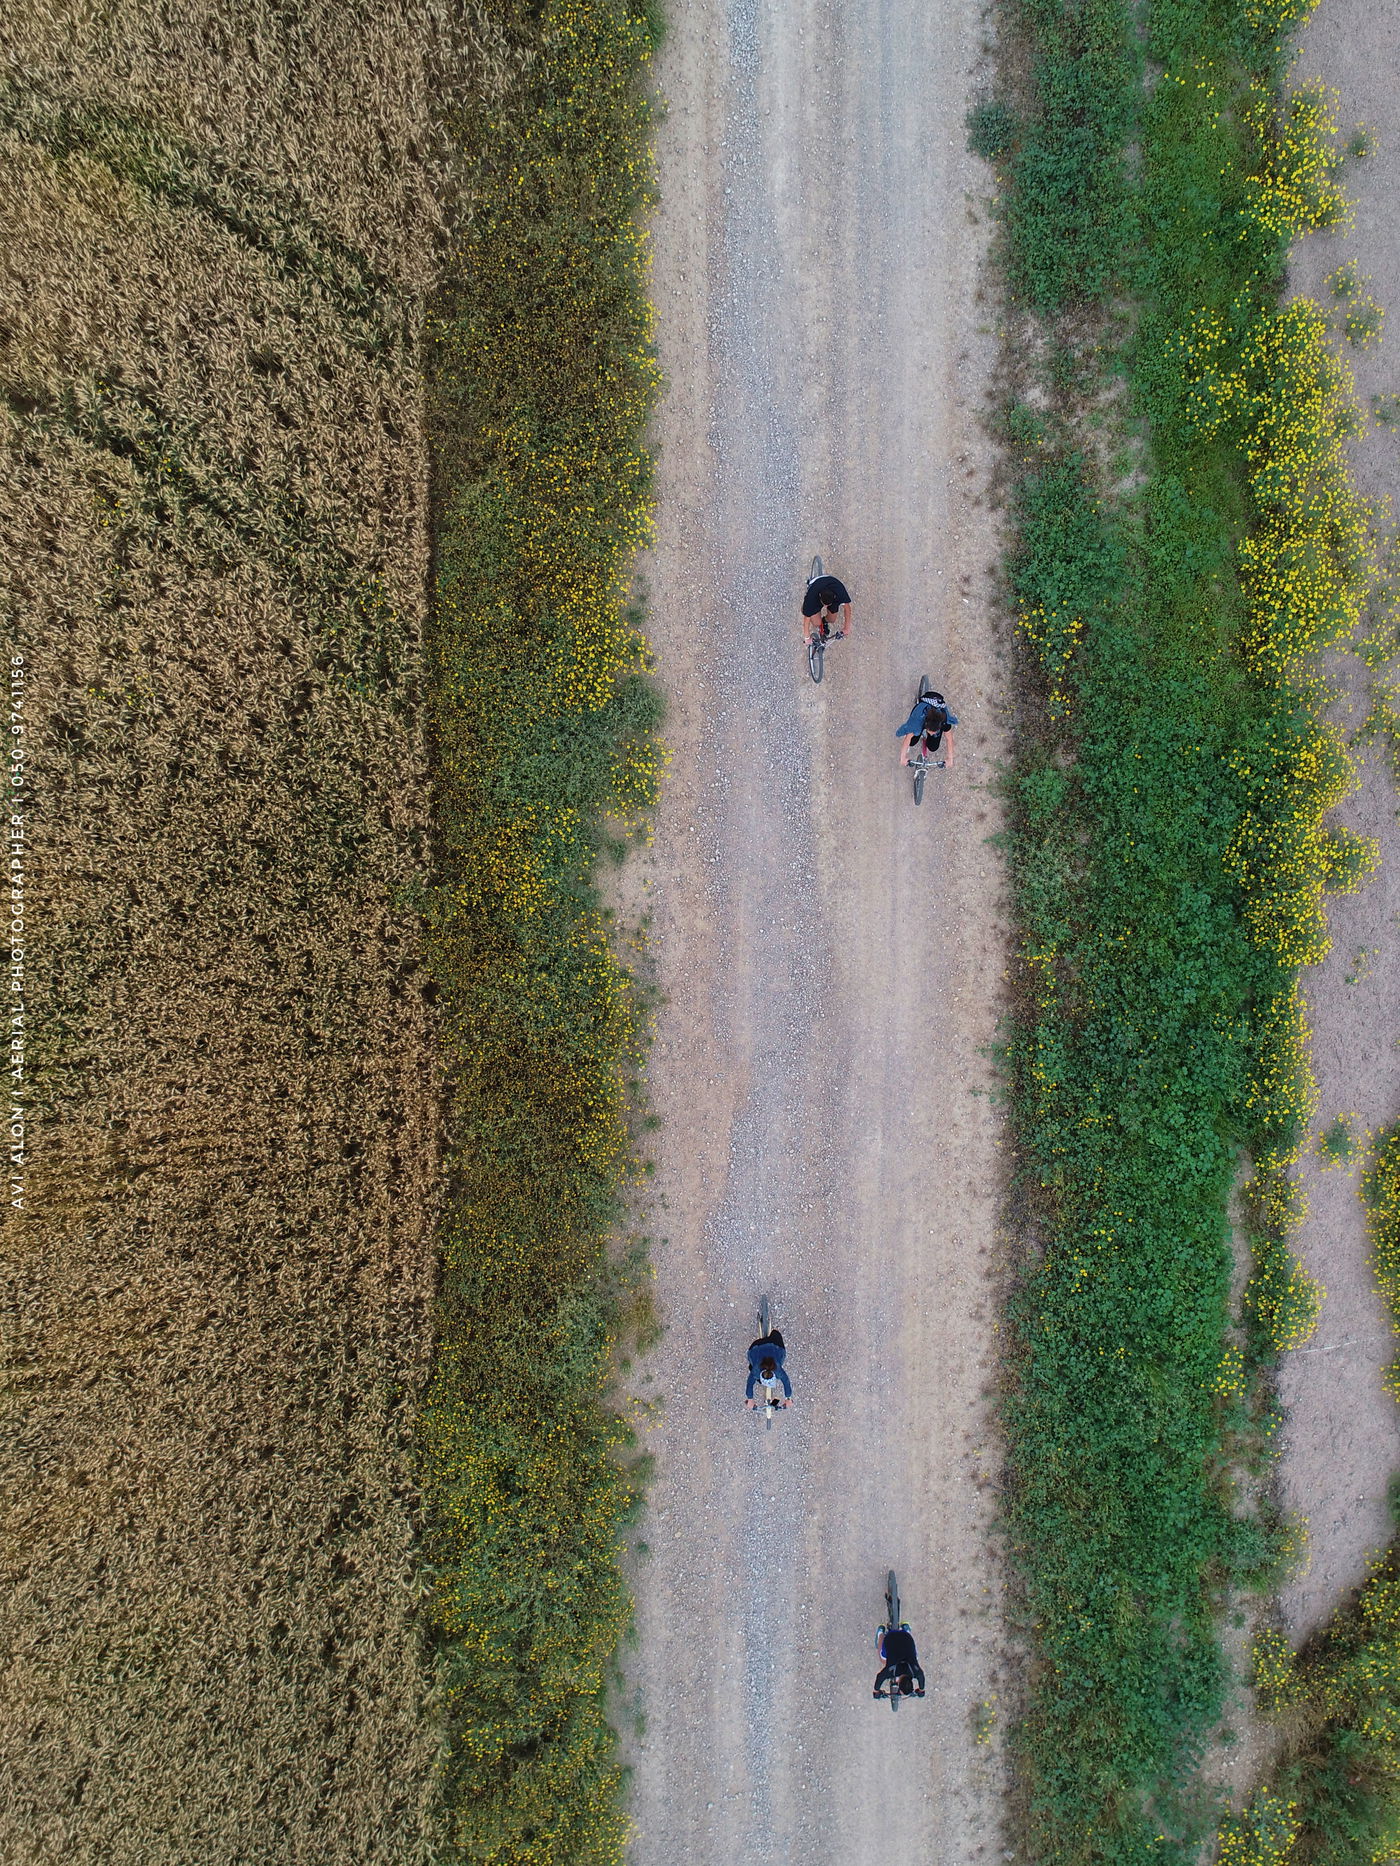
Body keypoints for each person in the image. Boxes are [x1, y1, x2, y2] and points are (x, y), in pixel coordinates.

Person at [896, 687, 958, 770]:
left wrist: (950, 758)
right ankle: (920, 732)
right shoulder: (917, 721)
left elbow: (949, 739)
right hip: (921, 715)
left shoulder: (944, 721)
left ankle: (925, 736)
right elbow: (908, 738)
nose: (931, 734)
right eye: (930, 732)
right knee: (912, 741)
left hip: (935, 710)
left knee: (933, 747)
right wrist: (902, 757)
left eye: (934, 732)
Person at [873, 1623, 926, 1699]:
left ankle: (906, 1630)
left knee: (914, 1656)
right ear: (899, 1684)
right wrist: (876, 1691)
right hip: (890, 1637)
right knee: (883, 1659)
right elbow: (880, 1677)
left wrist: (921, 1689)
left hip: (906, 1637)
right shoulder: (891, 1672)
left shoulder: (915, 1672)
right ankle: (880, 1633)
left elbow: (921, 1677)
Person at [745, 1328, 793, 1409]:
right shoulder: (758, 1371)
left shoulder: (776, 1370)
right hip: (758, 1347)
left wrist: (750, 1399)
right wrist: (788, 1398)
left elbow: (750, 1384)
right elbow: (786, 1381)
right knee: (751, 1367)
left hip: (760, 1345)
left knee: (752, 1367)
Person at [802, 572, 853, 647]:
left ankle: (824, 621)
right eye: (824, 605)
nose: (825, 607)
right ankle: (810, 582)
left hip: (831, 586)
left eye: (827, 605)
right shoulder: (811, 597)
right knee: (816, 623)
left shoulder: (839, 591)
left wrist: (847, 628)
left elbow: (847, 608)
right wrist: (807, 638)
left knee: (832, 619)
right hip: (816, 586)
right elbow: (806, 619)